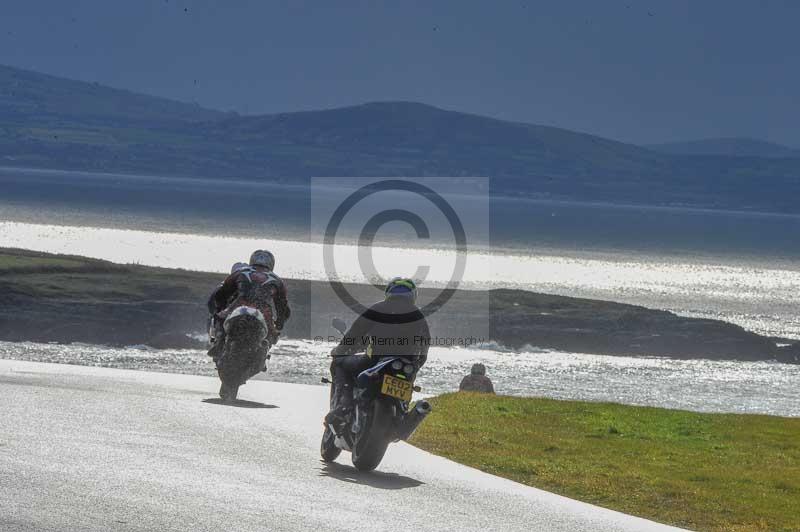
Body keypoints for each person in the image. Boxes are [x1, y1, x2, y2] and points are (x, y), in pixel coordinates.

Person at [325, 277, 430, 427]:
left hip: (376, 360)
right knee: (408, 383)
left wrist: (339, 351)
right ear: (413, 295)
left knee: (339, 364)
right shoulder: (418, 315)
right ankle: (404, 414)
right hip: (406, 365)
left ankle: (344, 404)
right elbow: (425, 345)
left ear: (389, 293)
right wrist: (416, 366)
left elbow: (354, 334)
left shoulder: (377, 308)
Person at [207, 250, 290, 363]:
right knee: (272, 334)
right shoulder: (277, 280)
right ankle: (263, 352)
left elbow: (221, 293)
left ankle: (219, 342)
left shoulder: (241, 272)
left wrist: (220, 308)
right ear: (271, 264)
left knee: (220, 317)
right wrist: (279, 325)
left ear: (252, 260)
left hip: (240, 304)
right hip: (264, 310)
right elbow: (282, 307)